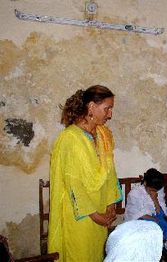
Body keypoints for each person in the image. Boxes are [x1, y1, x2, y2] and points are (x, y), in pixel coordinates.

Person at [48, 85, 122, 262]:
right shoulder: (69, 139)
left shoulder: (103, 134)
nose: (110, 114)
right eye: (107, 108)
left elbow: (110, 172)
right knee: (80, 255)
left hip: (101, 212)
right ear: (91, 107)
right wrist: (97, 216)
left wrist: (111, 206)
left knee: (97, 254)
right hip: (80, 216)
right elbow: (74, 185)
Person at [124, 168, 167, 240]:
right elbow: (135, 214)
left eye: (155, 190)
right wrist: (155, 220)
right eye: (151, 190)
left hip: (155, 218)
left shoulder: (159, 191)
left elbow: (161, 213)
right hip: (139, 220)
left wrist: (155, 199)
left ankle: (160, 245)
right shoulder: (135, 193)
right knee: (152, 226)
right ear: (145, 183)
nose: (153, 192)